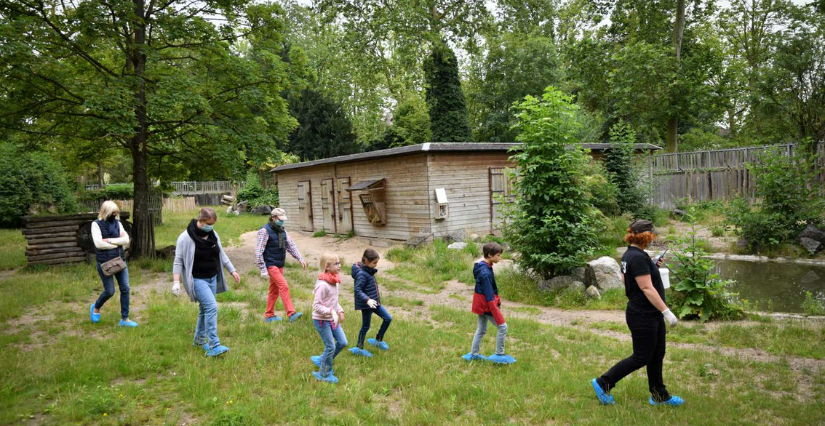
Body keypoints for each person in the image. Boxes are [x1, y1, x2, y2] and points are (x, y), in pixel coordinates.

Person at [591, 219, 684, 406]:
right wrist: (667, 311)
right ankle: (604, 382)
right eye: (651, 235)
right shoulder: (638, 257)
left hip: (649, 313)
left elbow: (629, 280)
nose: (652, 238)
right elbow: (647, 288)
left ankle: (659, 395)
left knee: (657, 353)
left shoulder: (631, 254)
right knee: (642, 356)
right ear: (645, 236)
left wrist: (652, 266)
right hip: (642, 315)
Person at [171, 208, 240, 357]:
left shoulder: (213, 234)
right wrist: (176, 282)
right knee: (212, 307)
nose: (211, 227)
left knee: (205, 309)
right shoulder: (185, 237)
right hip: (197, 279)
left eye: (213, 224)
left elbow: (221, 253)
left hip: (212, 277)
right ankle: (214, 344)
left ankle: (198, 340)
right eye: (208, 224)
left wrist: (232, 270)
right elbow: (178, 260)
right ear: (200, 221)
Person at [463, 242, 516, 365]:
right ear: (490, 255)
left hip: (480, 304)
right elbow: (488, 295)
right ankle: (499, 355)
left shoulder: (482, 266)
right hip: (487, 305)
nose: (500, 258)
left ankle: (474, 354)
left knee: (481, 329)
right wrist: (495, 309)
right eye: (498, 255)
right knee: (503, 327)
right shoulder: (485, 273)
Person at [254, 208, 307, 323]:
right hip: (270, 264)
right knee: (284, 286)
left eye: (283, 219)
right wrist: (262, 268)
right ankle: (291, 313)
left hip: (279, 264)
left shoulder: (281, 230)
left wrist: (300, 258)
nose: (282, 222)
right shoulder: (264, 231)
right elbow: (259, 251)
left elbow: (290, 245)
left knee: (274, 290)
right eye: (280, 219)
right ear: (273, 217)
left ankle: (269, 315)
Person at [89, 201, 137, 327]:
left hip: (119, 260)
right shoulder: (96, 225)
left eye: (116, 212)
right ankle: (96, 307)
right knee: (110, 291)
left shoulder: (118, 223)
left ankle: (124, 319)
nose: (115, 215)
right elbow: (99, 244)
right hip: (104, 262)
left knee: (125, 288)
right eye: (113, 212)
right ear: (106, 212)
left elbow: (126, 240)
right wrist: (117, 244)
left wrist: (109, 241)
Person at [310, 252, 347, 384]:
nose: (339, 265)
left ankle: (323, 360)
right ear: (327, 267)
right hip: (321, 321)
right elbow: (316, 305)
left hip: (332, 318)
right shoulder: (323, 285)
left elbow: (333, 300)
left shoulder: (334, 281)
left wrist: (339, 310)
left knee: (342, 342)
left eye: (339, 262)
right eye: (336, 263)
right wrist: (331, 311)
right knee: (330, 346)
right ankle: (323, 373)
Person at [350, 249, 392, 357]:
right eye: (374, 263)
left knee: (388, 318)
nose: (376, 265)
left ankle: (378, 340)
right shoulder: (361, 274)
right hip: (366, 305)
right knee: (366, 326)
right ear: (366, 261)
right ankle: (359, 348)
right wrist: (367, 300)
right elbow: (357, 290)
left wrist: (372, 300)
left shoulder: (368, 269)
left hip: (374, 303)